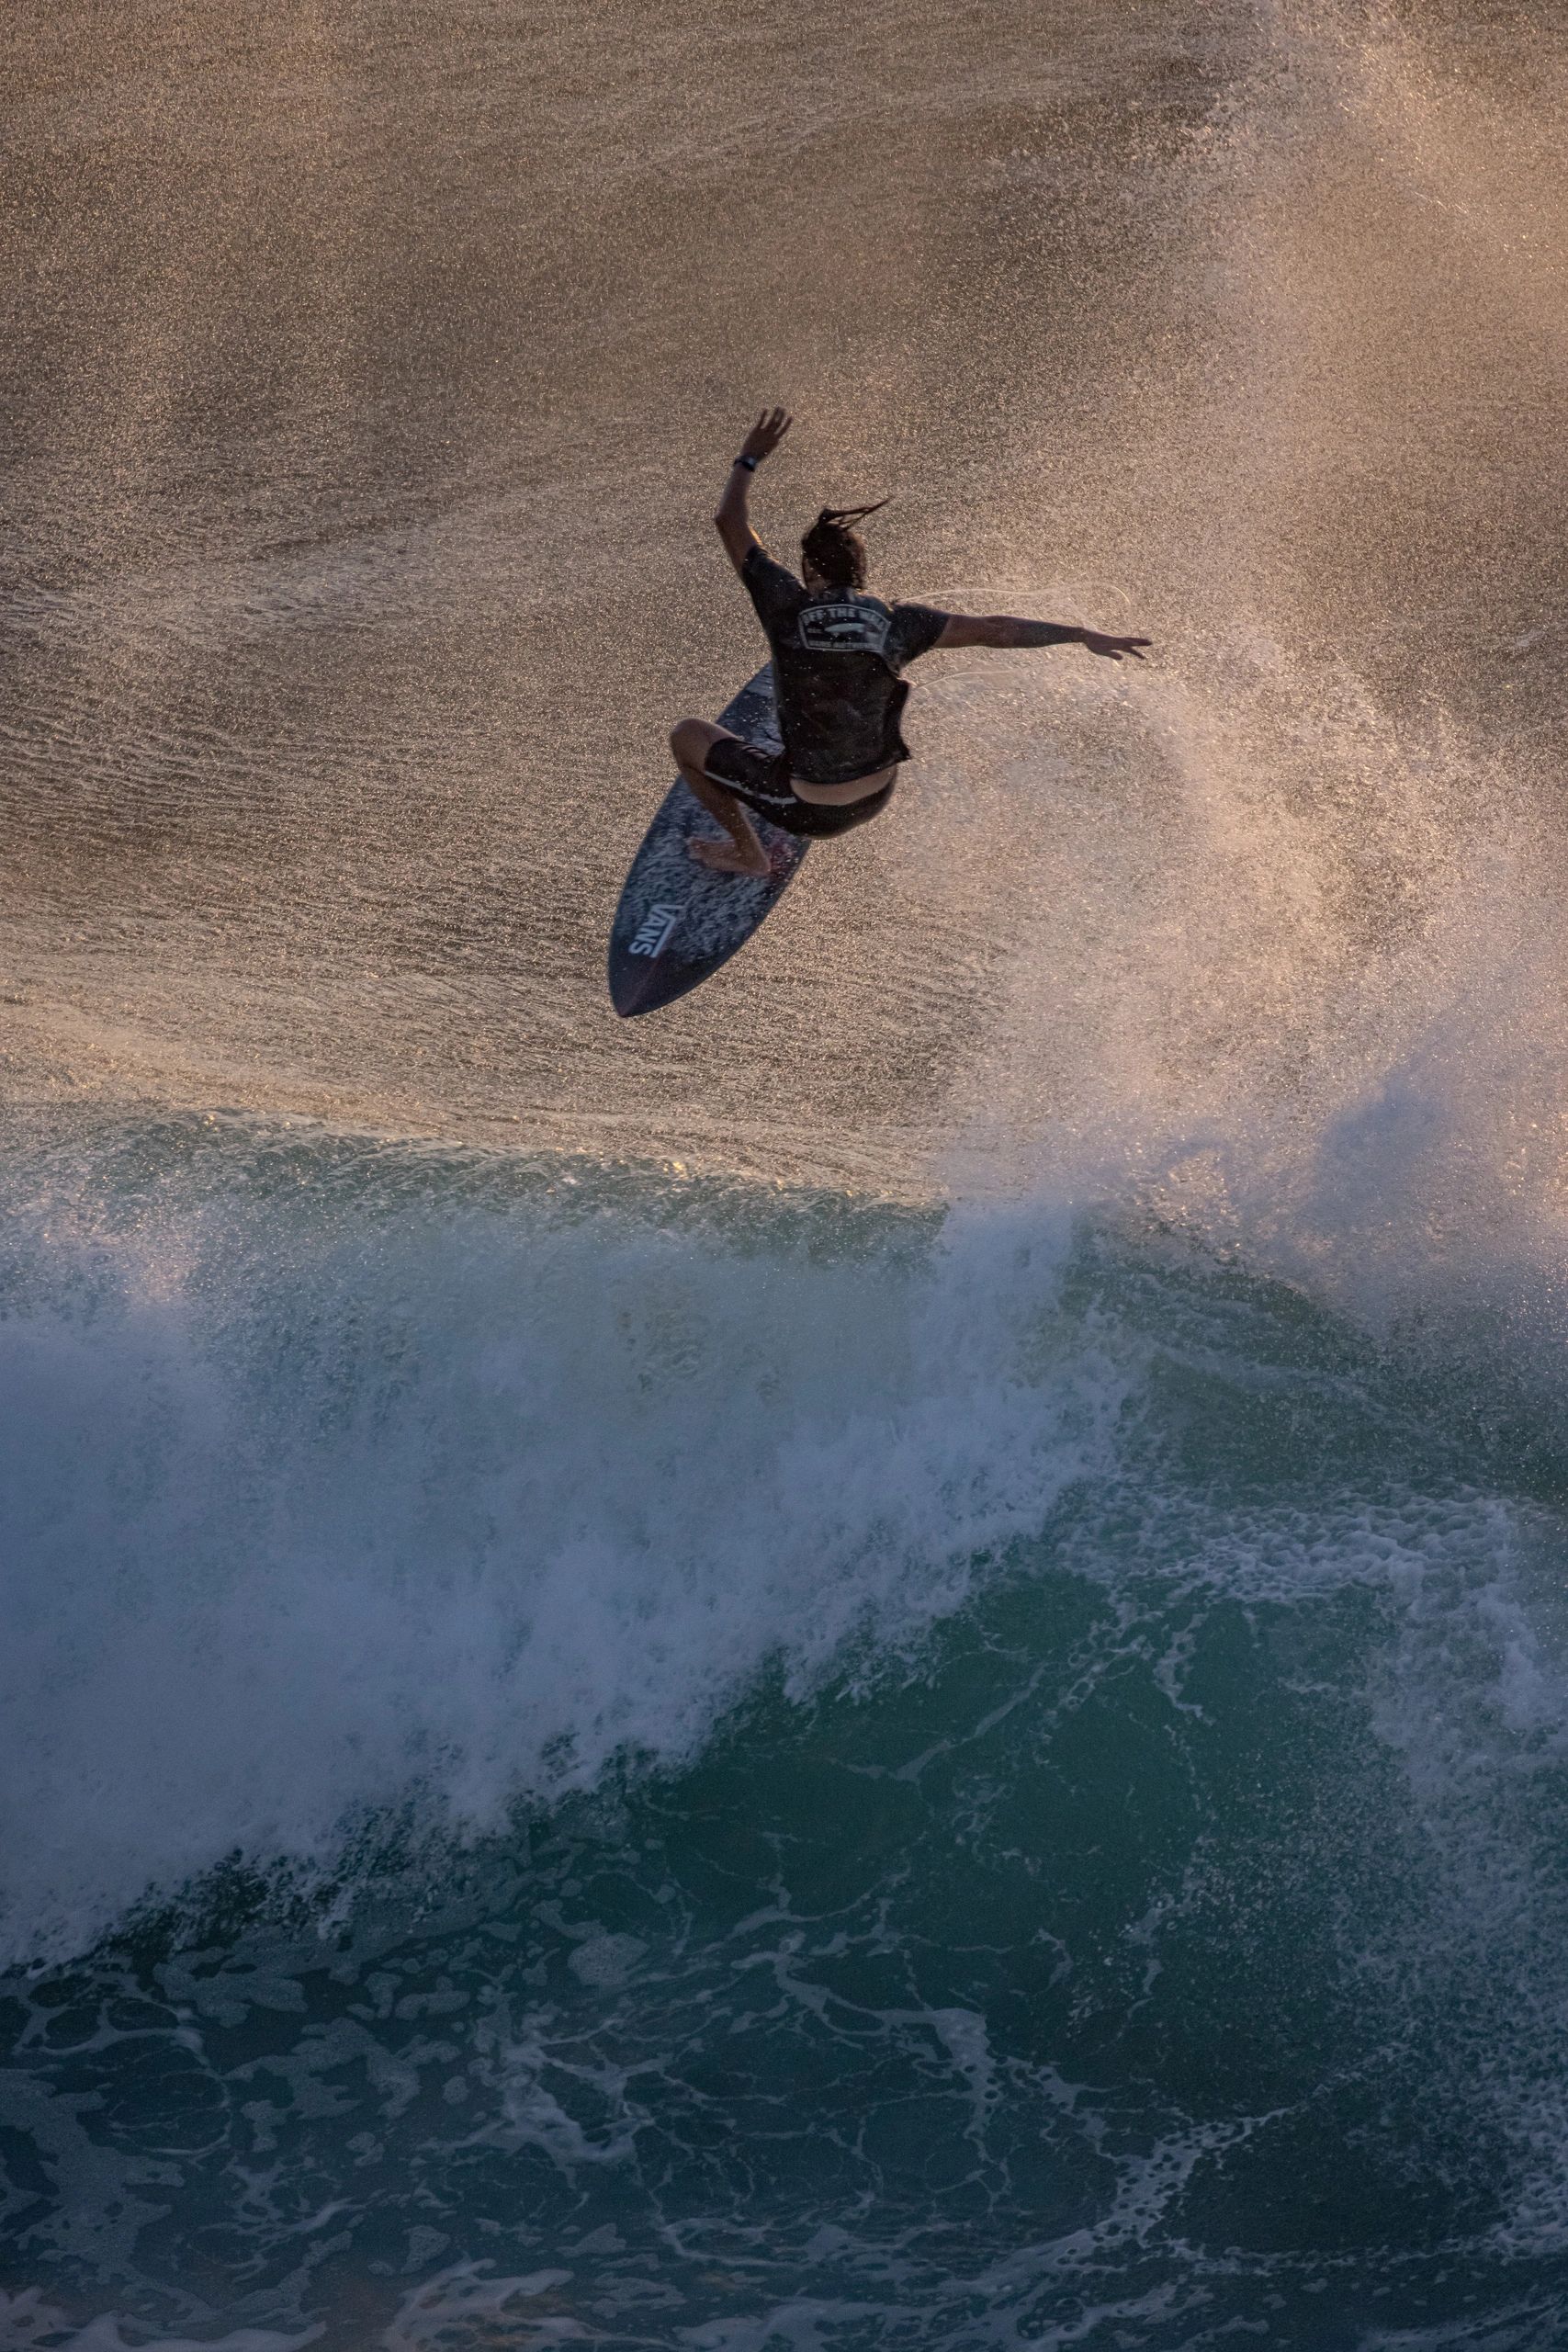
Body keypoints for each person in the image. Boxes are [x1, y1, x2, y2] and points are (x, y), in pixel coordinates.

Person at [671, 408, 1152, 876]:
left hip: (808, 809)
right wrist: (1080, 634)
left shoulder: (784, 604)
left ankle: (748, 853)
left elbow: (729, 521)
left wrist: (748, 458)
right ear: (859, 574)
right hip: (878, 793)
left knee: (688, 737)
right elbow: (996, 630)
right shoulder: (901, 622)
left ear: (809, 572)